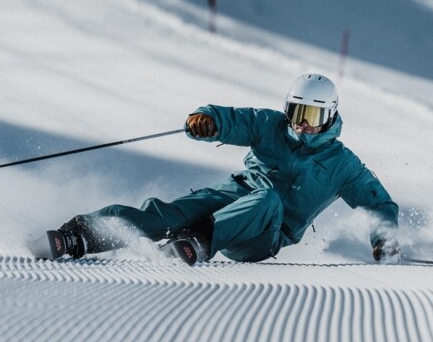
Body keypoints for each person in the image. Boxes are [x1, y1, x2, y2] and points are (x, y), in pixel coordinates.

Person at [57, 74, 400, 265]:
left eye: (312, 116)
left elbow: (379, 203)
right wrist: (207, 121)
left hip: (263, 235)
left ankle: (198, 242)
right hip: (231, 196)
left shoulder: (343, 164)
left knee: (268, 199)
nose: (302, 124)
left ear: (330, 115)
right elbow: (235, 120)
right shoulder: (271, 125)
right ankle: (80, 234)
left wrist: (384, 240)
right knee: (168, 213)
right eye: (297, 113)